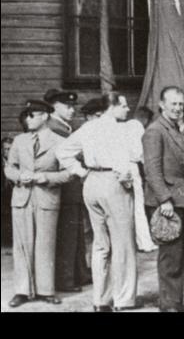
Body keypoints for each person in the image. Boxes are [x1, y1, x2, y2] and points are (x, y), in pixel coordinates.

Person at [56, 92, 138, 312]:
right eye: (124, 105)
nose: (128, 109)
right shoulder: (121, 129)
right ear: (111, 106)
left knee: (101, 244)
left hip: (91, 182)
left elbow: (62, 151)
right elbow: (134, 158)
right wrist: (126, 176)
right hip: (113, 183)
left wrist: (81, 172)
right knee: (123, 243)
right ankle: (123, 299)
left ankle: (100, 300)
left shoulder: (88, 128)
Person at [5, 100, 70, 308]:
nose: (28, 119)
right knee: (22, 245)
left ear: (44, 116)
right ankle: (22, 290)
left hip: (46, 197)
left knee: (45, 244)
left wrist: (46, 177)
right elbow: (9, 168)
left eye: (32, 115)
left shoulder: (59, 141)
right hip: (22, 197)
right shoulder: (19, 140)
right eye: (26, 115)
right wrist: (18, 175)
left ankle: (45, 290)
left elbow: (69, 173)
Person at [142, 86, 184, 312]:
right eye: (173, 104)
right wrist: (164, 199)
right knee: (170, 255)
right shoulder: (155, 131)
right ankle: (168, 304)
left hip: (180, 197)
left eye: (180, 104)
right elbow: (151, 169)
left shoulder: (175, 129)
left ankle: (176, 302)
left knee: (179, 254)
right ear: (161, 105)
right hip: (167, 201)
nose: (177, 108)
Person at [44, 88, 92, 293]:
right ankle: (65, 279)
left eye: (73, 106)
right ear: (54, 106)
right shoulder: (53, 128)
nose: (72, 110)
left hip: (71, 187)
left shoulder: (65, 126)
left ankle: (79, 273)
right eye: (67, 106)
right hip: (62, 187)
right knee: (66, 234)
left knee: (75, 233)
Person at [125, 106, 157, 252]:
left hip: (121, 169)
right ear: (146, 119)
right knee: (138, 207)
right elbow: (140, 153)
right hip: (131, 167)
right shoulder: (138, 128)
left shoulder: (124, 126)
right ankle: (144, 243)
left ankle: (134, 242)